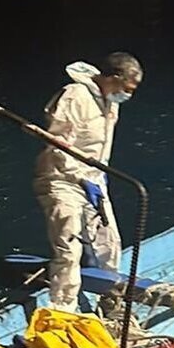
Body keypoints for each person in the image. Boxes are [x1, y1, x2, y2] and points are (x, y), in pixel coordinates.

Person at [34, 52, 143, 313]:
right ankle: (63, 312)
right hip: (62, 180)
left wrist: (96, 176)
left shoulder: (109, 101)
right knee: (68, 248)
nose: (128, 95)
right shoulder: (74, 96)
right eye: (127, 88)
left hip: (94, 179)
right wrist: (80, 178)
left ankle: (111, 301)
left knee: (109, 243)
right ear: (113, 78)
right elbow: (58, 146)